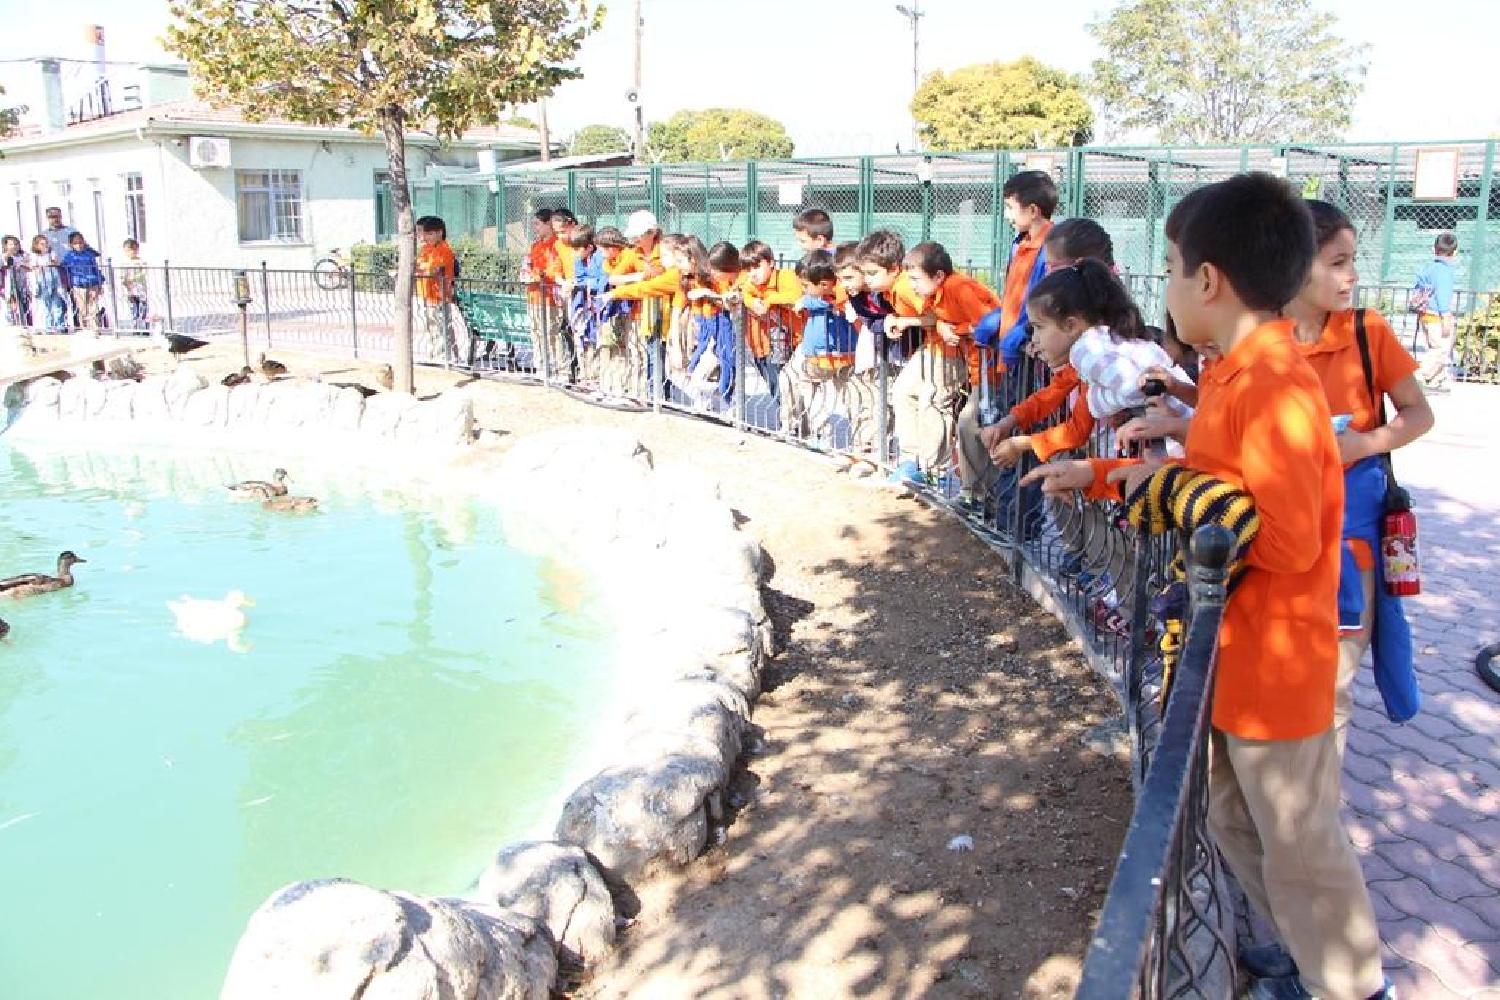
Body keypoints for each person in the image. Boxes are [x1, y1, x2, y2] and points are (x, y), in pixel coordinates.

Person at [1027, 173, 1393, 1000]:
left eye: (1168, 268)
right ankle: (1303, 957)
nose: (1161, 286)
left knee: (1301, 846)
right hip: (1230, 654)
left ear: (1208, 281)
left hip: (1277, 668)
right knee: (1233, 817)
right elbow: (1205, 479)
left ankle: (1352, 986)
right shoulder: (1230, 375)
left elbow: (1286, 537)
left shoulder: (1274, 386)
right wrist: (1101, 474)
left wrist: (1178, 494)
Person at [1286, 200, 1434, 755]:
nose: (1351, 276)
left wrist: (1363, 444)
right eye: (1337, 263)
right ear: (1294, 266)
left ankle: (1321, 798)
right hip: (1281, 534)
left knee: (1334, 684)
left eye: (1353, 261)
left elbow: (1419, 414)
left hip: (1354, 534)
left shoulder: (1368, 331)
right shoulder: (1259, 339)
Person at [963, 217, 1111, 514]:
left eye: (1040, 329)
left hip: (1113, 466)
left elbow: (1077, 429)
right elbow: (1056, 390)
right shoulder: (1084, 350)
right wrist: (1009, 422)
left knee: (1093, 525)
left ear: (1071, 324)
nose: (1035, 340)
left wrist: (1021, 443)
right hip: (1097, 459)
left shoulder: (1100, 352)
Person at [887, 241, 998, 486]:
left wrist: (955, 329)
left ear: (938, 276)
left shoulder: (959, 287)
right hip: (974, 363)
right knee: (911, 395)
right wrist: (940, 325)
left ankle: (940, 475)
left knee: (960, 418)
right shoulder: (933, 292)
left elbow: (990, 322)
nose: (911, 285)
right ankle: (918, 465)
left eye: (915, 279)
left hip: (990, 367)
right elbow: (938, 318)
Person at [781, 250, 856, 445]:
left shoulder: (839, 296)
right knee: (838, 394)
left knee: (821, 391)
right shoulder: (829, 296)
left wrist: (805, 302)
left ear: (824, 284)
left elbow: (827, 301)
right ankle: (819, 434)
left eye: (806, 286)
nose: (803, 290)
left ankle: (824, 434)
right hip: (835, 354)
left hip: (827, 355)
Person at [737, 238, 803, 415]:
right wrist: (752, 302)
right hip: (763, 344)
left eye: (756, 267)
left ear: (771, 263)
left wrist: (769, 300)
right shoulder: (751, 284)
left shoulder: (786, 277)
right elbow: (744, 293)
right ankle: (787, 418)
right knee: (774, 384)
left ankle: (796, 420)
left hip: (792, 342)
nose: (752, 273)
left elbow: (796, 296)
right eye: (748, 269)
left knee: (790, 384)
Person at [684, 240, 742, 412]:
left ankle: (729, 406)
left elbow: (733, 300)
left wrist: (709, 294)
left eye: (716, 270)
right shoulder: (721, 281)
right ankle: (716, 400)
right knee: (711, 367)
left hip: (730, 330)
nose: (712, 273)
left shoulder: (740, 280)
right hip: (719, 329)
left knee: (728, 366)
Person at [1413, 232, 1459, 391]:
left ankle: (1437, 379)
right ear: (1455, 252)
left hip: (1425, 314)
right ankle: (1419, 377)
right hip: (1437, 316)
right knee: (1441, 349)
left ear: (1434, 249)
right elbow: (1442, 296)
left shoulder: (1429, 269)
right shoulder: (1445, 271)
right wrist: (1446, 317)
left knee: (1433, 347)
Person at [414, 215, 459, 361]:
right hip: (428, 294)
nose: (426, 237)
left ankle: (443, 358)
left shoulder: (444, 249)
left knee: (441, 327)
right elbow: (419, 266)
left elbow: (434, 269)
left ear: (440, 232)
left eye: (430, 233)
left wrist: (423, 268)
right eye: (425, 233)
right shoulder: (427, 248)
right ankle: (443, 355)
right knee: (433, 328)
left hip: (440, 294)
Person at [523, 208, 560, 374]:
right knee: (536, 332)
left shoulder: (556, 245)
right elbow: (528, 265)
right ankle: (540, 366)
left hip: (549, 298)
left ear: (548, 224)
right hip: (533, 296)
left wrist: (537, 276)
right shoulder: (536, 245)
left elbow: (554, 270)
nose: (535, 228)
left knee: (551, 333)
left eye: (537, 224)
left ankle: (557, 367)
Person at [41, 207, 80, 327]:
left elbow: (80, 245)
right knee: (59, 298)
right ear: (47, 218)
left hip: (71, 268)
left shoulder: (71, 231)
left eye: (57, 216)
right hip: (54, 271)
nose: (55, 219)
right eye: (52, 217)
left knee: (75, 297)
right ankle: (61, 325)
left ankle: (78, 324)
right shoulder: (44, 235)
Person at [61, 233, 104, 332]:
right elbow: (64, 269)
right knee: (82, 308)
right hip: (78, 285)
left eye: (80, 242)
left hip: (92, 283)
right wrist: (68, 284)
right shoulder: (69, 256)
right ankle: (85, 328)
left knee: (93, 307)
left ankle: (94, 328)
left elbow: (95, 268)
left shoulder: (89, 254)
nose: (79, 245)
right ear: (71, 244)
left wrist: (100, 282)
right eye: (75, 243)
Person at [24, 234, 68, 334]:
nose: (45, 245)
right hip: (42, 281)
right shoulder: (34, 255)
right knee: (45, 305)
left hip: (54, 280)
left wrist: (51, 262)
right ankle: (48, 326)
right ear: (36, 245)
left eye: (46, 243)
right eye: (42, 244)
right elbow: (33, 267)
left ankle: (60, 325)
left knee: (57, 303)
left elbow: (56, 262)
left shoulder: (51, 253)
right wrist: (41, 266)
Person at [121, 238, 149, 332]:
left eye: (133, 249)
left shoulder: (141, 261)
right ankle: (135, 326)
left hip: (140, 288)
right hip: (130, 290)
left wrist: (133, 278)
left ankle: (145, 327)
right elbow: (122, 274)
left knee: (143, 307)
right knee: (133, 308)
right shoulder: (125, 263)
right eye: (128, 250)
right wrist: (124, 282)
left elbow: (144, 272)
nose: (131, 252)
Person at [1, 235, 28, 328]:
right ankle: (11, 324)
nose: (14, 246)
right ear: (6, 246)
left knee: (22, 303)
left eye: (16, 244)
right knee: (10, 302)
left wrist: (23, 264)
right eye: (11, 244)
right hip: (8, 283)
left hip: (21, 282)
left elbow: (29, 266)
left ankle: (23, 323)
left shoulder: (22, 256)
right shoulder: (3, 257)